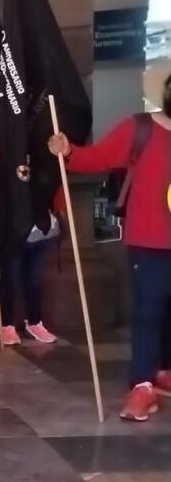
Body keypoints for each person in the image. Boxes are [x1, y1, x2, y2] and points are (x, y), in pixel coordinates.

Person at [48, 68, 171, 422]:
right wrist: (69, 151)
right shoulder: (140, 129)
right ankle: (142, 385)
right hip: (149, 242)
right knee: (148, 310)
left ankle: (164, 370)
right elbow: (99, 157)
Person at [0, 142, 64, 345]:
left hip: (38, 223)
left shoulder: (41, 155)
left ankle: (34, 321)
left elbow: (54, 185)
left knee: (34, 277)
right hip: (11, 225)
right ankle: (7, 323)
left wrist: (60, 209)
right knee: (10, 276)